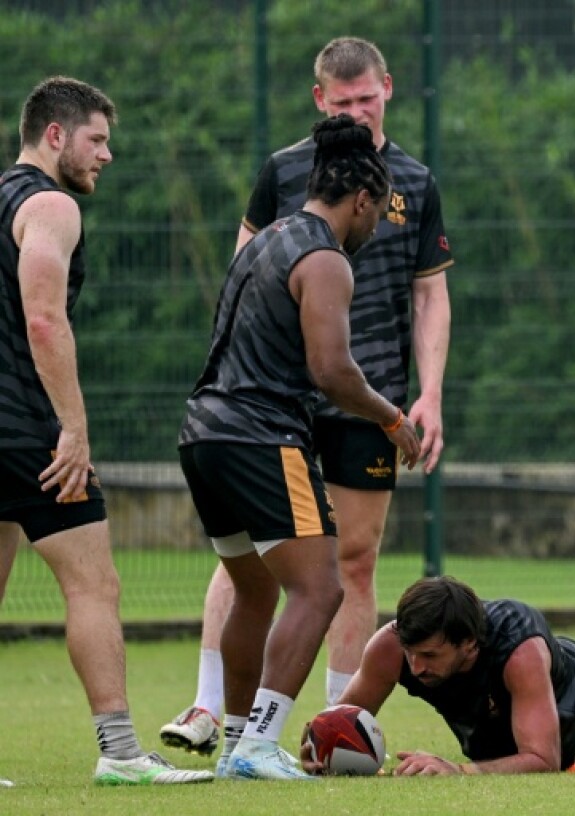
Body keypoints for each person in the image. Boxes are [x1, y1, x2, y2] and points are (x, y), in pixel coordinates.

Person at [162, 36, 453, 759]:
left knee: (266, 583)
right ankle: (258, 743)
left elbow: (425, 297)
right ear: (360, 199)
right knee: (318, 588)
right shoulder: (323, 254)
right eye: (373, 211)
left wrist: (425, 394)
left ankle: (245, 738)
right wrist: (391, 413)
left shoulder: (278, 240)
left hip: (206, 426)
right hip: (270, 427)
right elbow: (329, 369)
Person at [0, 76, 212, 786]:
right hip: (27, 430)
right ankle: (121, 753)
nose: (108, 155)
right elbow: (42, 318)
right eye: (97, 139)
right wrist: (74, 428)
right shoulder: (51, 204)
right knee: (95, 586)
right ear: (54, 136)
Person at [305, 576, 575, 774]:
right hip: (489, 725)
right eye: (410, 653)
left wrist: (459, 771)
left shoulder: (519, 651)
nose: (415, 667)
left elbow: (543, 760)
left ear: (469, 644)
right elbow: (344, 719)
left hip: (574, 708)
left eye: (429, 655)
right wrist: (319, 746)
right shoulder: (392, 646)